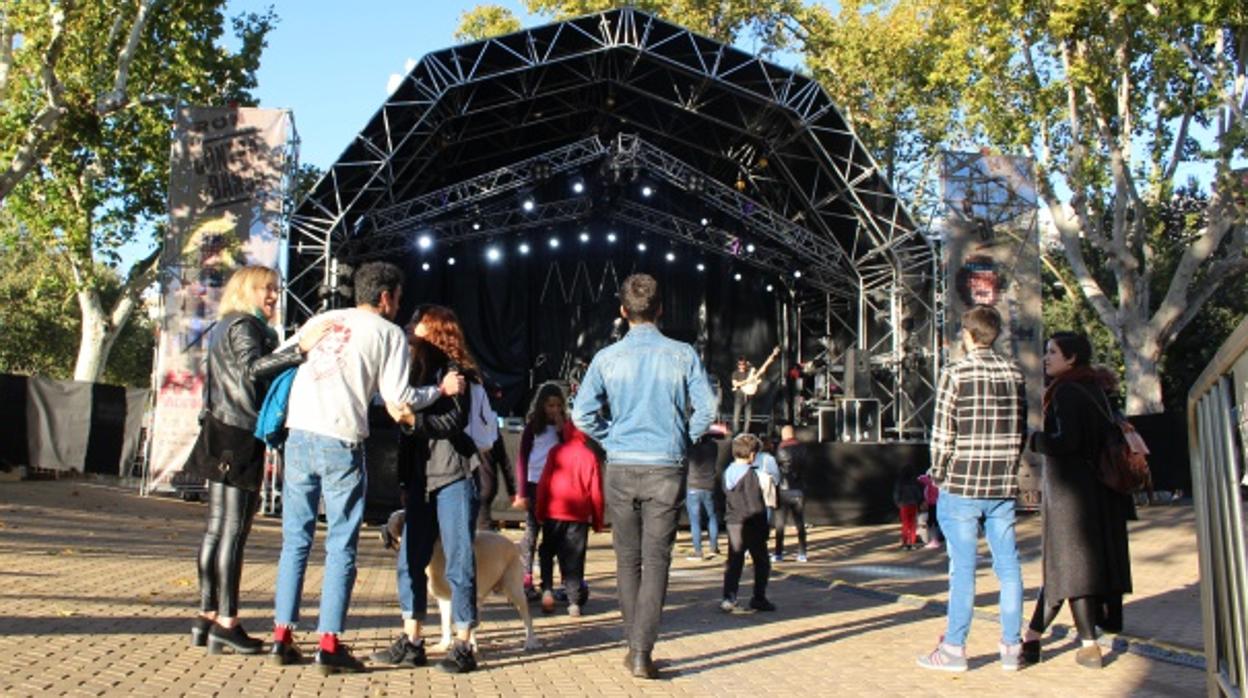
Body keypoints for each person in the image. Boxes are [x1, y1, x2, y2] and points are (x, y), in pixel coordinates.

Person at [270, 262, 464, 675]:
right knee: (341, 542)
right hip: (340, 439)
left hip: (299, 433)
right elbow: (401, 397)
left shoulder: (322, 319)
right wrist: (440, 389)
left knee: (295, 540)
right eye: (397, 297)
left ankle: (281, 637)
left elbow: (280, 358)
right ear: (386, 297)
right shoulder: (388, 333)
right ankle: (328, 644)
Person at [572, 273, 716, 680]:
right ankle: (641, 652)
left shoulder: (606, 358)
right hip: (665, 467)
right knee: (656, 561)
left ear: (623, 311)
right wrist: (678, 439)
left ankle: (633, 646)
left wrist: (612, 438)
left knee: (627, 560)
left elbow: (581, 415)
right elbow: (706, 412)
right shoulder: (683, 353)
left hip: (620, 465)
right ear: (661, 310)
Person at [187, 266, 327, 655]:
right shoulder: (244, 326)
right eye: (266, 289)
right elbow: (252, 368)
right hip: (238, 432)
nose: (273, 296)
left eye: (276, 289)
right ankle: (227, 622)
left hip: (219, 428)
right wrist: (300, 351)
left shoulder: (225, 325)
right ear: (245, 290)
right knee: (232, 532)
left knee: (216, 530)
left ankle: (207, 616)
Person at [373, 304, 485, 674]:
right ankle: (413, 640)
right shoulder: (411, 373)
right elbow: (405, 433)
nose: (408, 329)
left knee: (459, 560)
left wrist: (412, 419)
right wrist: (405, 481)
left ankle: (463, 643)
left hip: (453, 475)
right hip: (421, 481)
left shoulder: (458, 373)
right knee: (410, 560)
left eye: (416, 325)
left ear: (434, 330)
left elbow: (452, 422)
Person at [918, 305, 1027, 673]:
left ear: (968, 334)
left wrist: (938, 473)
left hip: (962, 482)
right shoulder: (1014, 372)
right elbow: (1021, 427)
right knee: (1008, 567)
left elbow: (942, 433)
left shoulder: (956, 371)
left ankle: (954, 648)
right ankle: (1011, 647)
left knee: (962, 569)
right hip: (1002, 482)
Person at [1021, 332, 1132, 669]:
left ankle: (1087, 644)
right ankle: (1033, 637)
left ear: (1071, 358)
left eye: (1052, 352)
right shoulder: (1097, 389)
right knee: (1072, 567)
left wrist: (1036, 440)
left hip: (1073, 494)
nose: (1046, 357)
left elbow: (1066, 441)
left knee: (1070, 567)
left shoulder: (1067, 391)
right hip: (1102, 491)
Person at [535, 419, 605, 617]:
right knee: (574, 558)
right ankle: (574, 600)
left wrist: (540, 512)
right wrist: (598, 520)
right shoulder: (590, 456)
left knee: (547, 551)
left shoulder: (556, 452)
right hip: (578, 516)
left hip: (553, 512)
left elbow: (543, 485)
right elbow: (596, 492)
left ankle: (547, 589)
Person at [513, 382, 568, 597]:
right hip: (535, 484)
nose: (553, 410)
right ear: (541, 406)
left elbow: (571, 447)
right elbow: (522, 458)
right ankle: (526, 578)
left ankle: (564, 581)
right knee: (531, 531)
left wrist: (562, 427)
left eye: (557, 406)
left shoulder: (564, 428)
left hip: (558, 486)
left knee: (559, 535)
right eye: (549, 406)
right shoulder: (532, 428)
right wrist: (522, 491)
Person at [720, 434, 776, 613]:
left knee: (734, 562)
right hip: (751, 523)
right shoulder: (750, 475)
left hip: (733, 521)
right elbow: (755, 503)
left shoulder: (728, 472)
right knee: (761, 562)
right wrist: (764, 526)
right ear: (752, 454)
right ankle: (759, 597)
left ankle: (729, 597)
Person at [685, 423, 727, 561]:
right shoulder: (713, 447)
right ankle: (713, 547)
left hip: (693, 485)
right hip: (709, 485)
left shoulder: (690, 448)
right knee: (712, 516)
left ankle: (698, 550)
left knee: (695, 520)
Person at [772, 425, 808, 562]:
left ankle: (778, 553)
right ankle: (802, 553)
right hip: (799, 489)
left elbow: (776, 468)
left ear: (784, 435)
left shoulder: (781, 449)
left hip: (783, 489)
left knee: (780, 523)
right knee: (799, 522)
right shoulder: (803, 448)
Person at [893, 468, 925, 550]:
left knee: (905, 524)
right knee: (913, 524)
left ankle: (905, 543)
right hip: (913, 505)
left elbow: (896, 495)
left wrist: (898, 503)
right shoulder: (914, 483)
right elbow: (918, 494)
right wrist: (918, 502)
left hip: (904, 505)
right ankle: (912, 542)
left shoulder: (900, 484)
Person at [917, 472, 942, 549]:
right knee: (935, 522)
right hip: (937, 503)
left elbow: (920, 478)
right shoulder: (938, 483)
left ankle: (934, 540)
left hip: (932, 504)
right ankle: (936, 539)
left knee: (931, 523)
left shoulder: (930, 482)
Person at [730, 357, 754, 434]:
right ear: (738, 365)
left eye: (743, 364)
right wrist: (746, 382)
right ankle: (736, 434)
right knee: (736, 417)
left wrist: (750, 365)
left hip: (748, 396)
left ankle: (745, 434)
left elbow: (755, 373)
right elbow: (735, 384)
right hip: (739, 397)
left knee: (748, 418)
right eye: (740, 364)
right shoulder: (735, 373)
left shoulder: (748, 373)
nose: (741, 366)